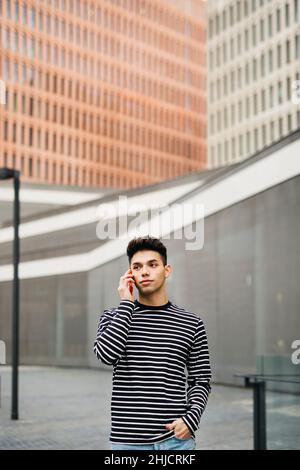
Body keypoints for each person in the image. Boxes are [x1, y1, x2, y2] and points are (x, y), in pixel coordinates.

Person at [94, 236, 212, 450]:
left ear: (167, 270)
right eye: (137, 267)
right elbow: (106, 355)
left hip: (176, 441)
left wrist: (190, 420)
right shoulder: (114, 316)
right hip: (128, 443)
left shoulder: (191, 323)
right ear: (129, 274)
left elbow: (200, 380)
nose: (144, 272)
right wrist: (126, 304)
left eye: (153, 265)